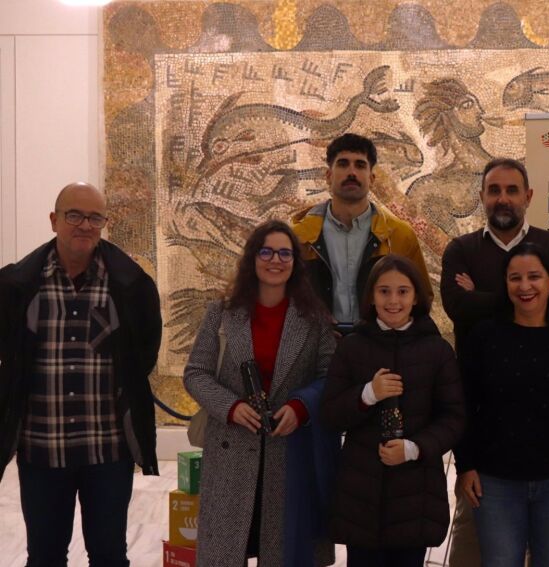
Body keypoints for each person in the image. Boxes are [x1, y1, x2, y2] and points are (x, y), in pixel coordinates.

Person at [0, 182, 162, 566]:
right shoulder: (17, 285)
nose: (85, 225)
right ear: (54, 220)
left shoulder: (131, 286)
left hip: (107, 450)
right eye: (74, 215)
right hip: (42, 448)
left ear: (104, 223)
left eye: (94, 217)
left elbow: (143, 355)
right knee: (45, 555)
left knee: (109, 555)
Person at [441, 157, 549, 566]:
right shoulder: (461, 249)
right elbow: (456, 307)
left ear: (528, 196)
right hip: (483, 418)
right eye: (494, 190)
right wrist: (524, 299)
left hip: (548, 422)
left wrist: (480, 296)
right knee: (475, 546)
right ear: (482, 196)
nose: (503, 198)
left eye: (512, 190)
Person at [183, 220, 336, 566]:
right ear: (252, 258)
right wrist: (231, 406)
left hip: (289, 455)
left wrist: (301, 406)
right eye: (266, 252)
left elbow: (330, 377)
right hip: (231, 452)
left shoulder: (314, 319)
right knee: (226, 553)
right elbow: (195, 373)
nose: (275, 260)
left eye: (285, 253)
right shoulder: (222, 313)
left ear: (295, 262)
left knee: (283, 553)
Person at [454, 242, 549, 567]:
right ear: (505, 283)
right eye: (515, 278)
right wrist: (465, 465)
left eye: (534, 276)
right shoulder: (483, 338)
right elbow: (463, 405)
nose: (525, 287)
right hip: (494, 481)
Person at [322, 255, 465, 567]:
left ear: (416, 298)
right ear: (371, 296)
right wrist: (368, 394)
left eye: (403, 291)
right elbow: (331, 414)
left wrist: (414, 448)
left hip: (416, 498)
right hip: (361, 499)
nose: (393, 301)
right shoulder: (351, 347)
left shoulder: (438, 351)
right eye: (384, 291)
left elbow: (453, 419)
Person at [291, 133, 431, 329]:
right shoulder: (298, 238)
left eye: (360, 165)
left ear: (371, 178)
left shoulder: (400, 235)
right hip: (317, 343)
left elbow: (422, 298)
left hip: (379, 343)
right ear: (328, 176)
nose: (352, 172)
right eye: (343, 164)